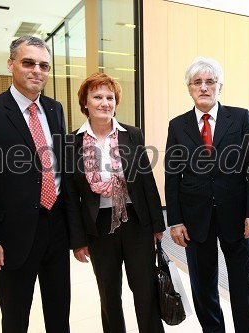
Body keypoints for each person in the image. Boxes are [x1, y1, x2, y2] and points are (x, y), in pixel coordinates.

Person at [0, 36, 70, 332]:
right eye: (28, 63)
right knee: (15, 314)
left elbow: (61, 166)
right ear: (11, 65)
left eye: (44, 65)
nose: (37, 70)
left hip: (57, 226)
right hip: (15, 233)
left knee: (60, 309)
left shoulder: (54, 108)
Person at [165, 57, 249, 333]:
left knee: (242, 284)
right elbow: (172, 176)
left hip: (237, 217)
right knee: (202, 285)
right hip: (195, 219)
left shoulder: (240, 117)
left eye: (210, 82)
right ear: (189, 88)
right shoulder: (177, 125)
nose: (204, 87)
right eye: (198, 82)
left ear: (220, 86)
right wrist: (175, 220)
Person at [65, 72, 165, 333]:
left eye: (110, 97)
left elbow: (146, 182)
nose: (104, 102)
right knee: (109, 294)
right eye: (97, 96)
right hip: (98, 229)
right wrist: (77, 240)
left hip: (136, 222)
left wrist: (157, 224)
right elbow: (71, 198)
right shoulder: (71, 142)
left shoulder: (132, 134)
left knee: (145, 291)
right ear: (85, 102)